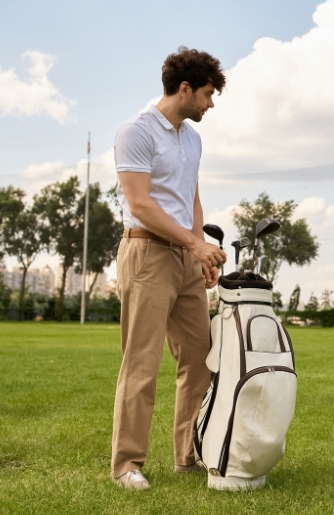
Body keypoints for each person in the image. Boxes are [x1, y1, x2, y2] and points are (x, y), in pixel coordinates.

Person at [110, 47, 228, 490]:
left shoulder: (191, 138)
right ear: (185, 89)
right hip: (146, 255)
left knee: (200, 360)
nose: (210, 104)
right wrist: (193, 244)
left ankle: (188, 455)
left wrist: (200, 250)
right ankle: (127, 464)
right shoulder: (135, 132)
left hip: (185, 258)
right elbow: (141, 203)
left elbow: (190, 198)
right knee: (141, 363)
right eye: (208, 94)